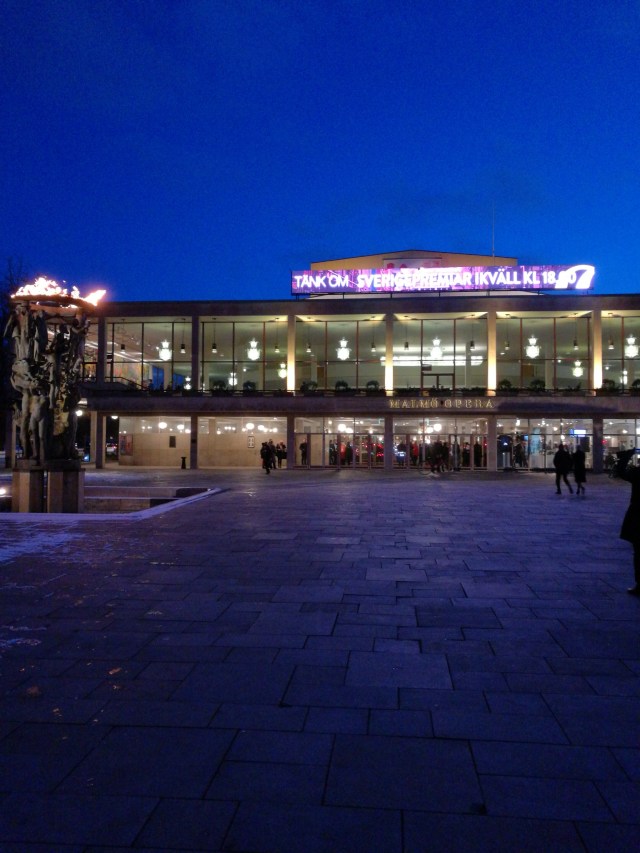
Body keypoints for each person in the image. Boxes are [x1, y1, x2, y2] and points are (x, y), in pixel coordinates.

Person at [618, 451, 640, 595]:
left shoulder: (638, 473)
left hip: (638, 513)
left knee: (638, 551)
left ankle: (639, 583)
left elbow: (621, 472)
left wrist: (626, 457)